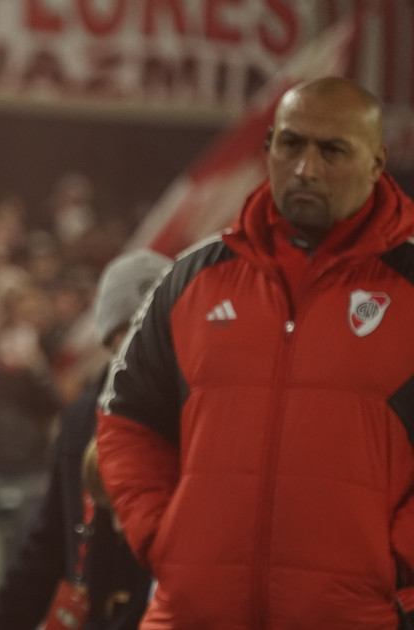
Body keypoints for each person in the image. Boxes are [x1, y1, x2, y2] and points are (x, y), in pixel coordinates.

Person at [96, 76, 414, 629]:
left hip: (356, 616)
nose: (306, 168)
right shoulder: (193, 278)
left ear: (377, 162)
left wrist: (396, 563)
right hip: (192, 615)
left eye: (332, 150)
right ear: (268, 147)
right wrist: (164, 536)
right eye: (290, 144)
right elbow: (127, 422)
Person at [0, 249, 167, 630]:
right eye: (128, 327)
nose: (140, 341)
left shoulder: (193, 414)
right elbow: (49, 542)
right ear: (109, 336)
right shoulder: (82, 417)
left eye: (154, 326)